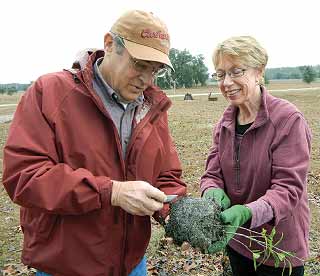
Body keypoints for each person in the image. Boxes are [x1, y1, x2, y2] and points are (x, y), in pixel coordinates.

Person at [2, 10, 187, 276]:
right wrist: (111, 192)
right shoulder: (50, 92)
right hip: (67, 265)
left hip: (132, 264)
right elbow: (25, 176)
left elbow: (166, 174)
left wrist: (175, 211)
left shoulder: (151, 107)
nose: (147, 79)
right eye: (140, 64)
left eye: (155, 70)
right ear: (110, 44)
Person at [200, 36, 311, 276]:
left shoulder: (287, 121)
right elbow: (211, 174)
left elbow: (288, 189)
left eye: (236, 71)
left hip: (279, 248)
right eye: (220, 74)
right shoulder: (225, 124)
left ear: (259, 71)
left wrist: (246, 212)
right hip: (236, 239)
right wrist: (211, 191)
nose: (227, 82)